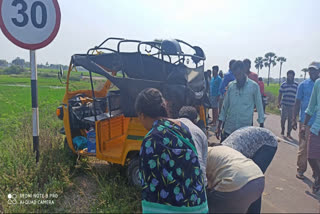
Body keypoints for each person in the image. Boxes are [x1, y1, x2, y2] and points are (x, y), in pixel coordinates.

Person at [135, 88, 208, 213]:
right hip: (198, 204)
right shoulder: (182, 129)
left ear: (142, 115)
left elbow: (149, 183)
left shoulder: (151, 139)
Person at [222, 126, 278, 213]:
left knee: (254, 180)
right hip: (252, 141)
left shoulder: (229, 158)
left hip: (267, 143)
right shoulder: (221, 152)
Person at [216, 60, 265, 142]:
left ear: (244, 71)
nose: (237, 77)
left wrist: (261, 126)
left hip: (245, 129)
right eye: (235, 75)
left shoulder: (254, 86)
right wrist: (219, 126)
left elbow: (259, 107)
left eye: (239, 74)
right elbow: (225, 106)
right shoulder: (231, 86)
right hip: (229, 128)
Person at [206, 145, 265, 213]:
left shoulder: (200, 155)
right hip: (258, 178)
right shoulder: (221, 149)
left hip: (236, 181)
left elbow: (202, 183)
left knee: (212, 207)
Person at [293, 62, 320, 180]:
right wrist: (294, 119)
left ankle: (316, 173)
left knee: (316, 151)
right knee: (304, 148)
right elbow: (297, 102)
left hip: (317, 122)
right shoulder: (303, 85)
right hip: (306, 121)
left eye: (314, 70)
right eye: (310, 70)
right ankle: (301, 169)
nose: (312, 72)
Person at [178, 106, 208, 186]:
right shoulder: (198, 132)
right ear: (195, 120)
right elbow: (201, 160)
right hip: (192, 180)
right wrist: (204, 183)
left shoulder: (170, 126)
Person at [301, 77, 320, 194]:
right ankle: (318, 176)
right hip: (317, 126)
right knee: (311, 156)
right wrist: (304, 125)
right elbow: (311, 105)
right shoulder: (318, 83)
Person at [278, 70, 298, 137]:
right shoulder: (283, 84)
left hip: (292, 105)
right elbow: (280, 94)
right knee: (283, 119)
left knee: (290, 120)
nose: (290, 77)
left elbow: (298, 96)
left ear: (293, 76)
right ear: (287, 76)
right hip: (284, 104)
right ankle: (282, 129)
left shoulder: (296, 85)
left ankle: (288, 133)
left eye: (291, 75)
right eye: (289, 75)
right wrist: (278, 102)